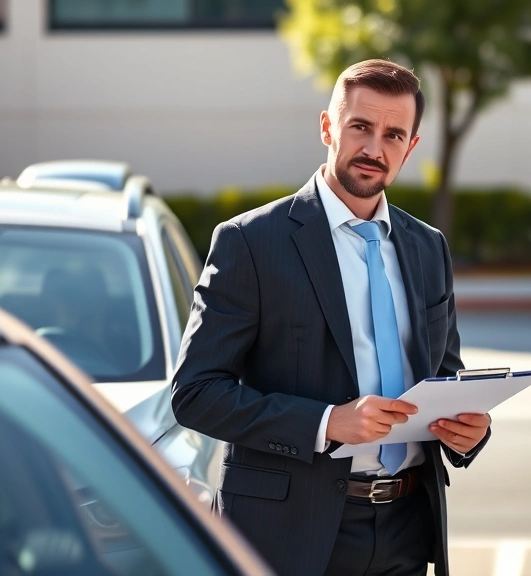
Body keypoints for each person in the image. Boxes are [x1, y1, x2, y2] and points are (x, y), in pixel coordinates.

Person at [171, 59, 491, 576]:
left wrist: (468, 430)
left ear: (411, 146)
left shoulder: (429, 248)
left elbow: (445, 374)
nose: (374, 149)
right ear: (327, 126)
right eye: (360, 127)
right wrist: (327, 423)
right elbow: (195, 393)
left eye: (393, 135)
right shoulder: (250, 242)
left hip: (409, 528)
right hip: (288, 533)